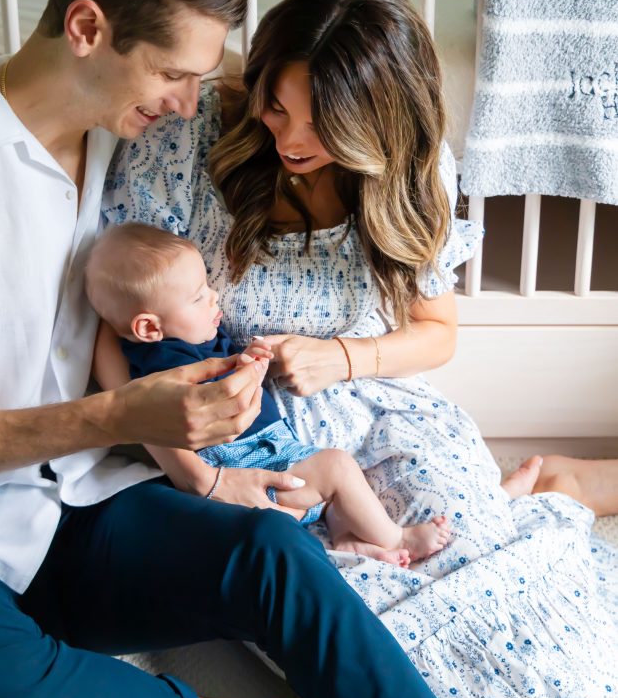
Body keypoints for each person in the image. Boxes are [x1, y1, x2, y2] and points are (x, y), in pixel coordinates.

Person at [0, 0, 506, 698]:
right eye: (174, 74)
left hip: (78, 504)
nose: (190, 105)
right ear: (86, 28)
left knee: (271, 552)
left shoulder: (116, 153)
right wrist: (115, 416)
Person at [103, 0, 618, 698]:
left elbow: (436, 331)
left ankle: (542, 491)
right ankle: (532, 501)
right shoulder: (188, 148)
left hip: (379, 412)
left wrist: (341, 357)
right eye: (276, 107)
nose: (289, 139)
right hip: (257, 438)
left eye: (323, 125)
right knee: (355, 640)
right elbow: (121, 325)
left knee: (512, 604)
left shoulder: (413, 170)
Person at [85, 222, 452, 564]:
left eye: (207, 288)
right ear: (148, 328)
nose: (214, 297)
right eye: (198, 298)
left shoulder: (190, 334)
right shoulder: (163, 364)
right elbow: (212, 401)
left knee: (329, 489)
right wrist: (251, 368)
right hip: (248, 461)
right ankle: (397, 538)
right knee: (337, 467)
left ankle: (346, 539)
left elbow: (223, 369)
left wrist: (249, 358)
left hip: (269, 448)